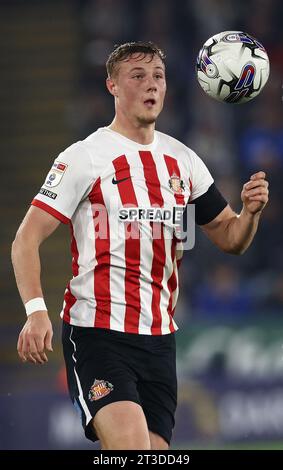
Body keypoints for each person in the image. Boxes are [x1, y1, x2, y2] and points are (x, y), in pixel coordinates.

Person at [11, 41, 269, 450]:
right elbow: (26, 239)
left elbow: (230, 238)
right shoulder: (85, 157)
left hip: (159, 339)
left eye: (159, 77)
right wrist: (35, 311)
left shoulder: (183, 161)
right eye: (138, 76)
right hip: (98, 332)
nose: (151, 85)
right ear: (112, 85)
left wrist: (249, 212)